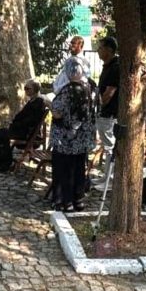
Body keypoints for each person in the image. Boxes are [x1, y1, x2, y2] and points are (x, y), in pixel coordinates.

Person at [49, 59, 96, 211]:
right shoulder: (91, 88)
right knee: (79, 169)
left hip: (66, 138)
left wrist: (47, 103)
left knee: (64, 169)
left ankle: (65, 202)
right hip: (83, 138)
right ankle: (78, 200)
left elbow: (57, 113)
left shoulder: (68, 90)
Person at [0, 80, 48, 172]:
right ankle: (0, 162)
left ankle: (5, 163)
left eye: (27, 88)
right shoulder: (32, 101)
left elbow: (32, 121)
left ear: (35, 89)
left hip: (26, 132)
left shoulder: (39, 102)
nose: (25, 90)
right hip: (19, 129)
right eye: (25, 88)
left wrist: (16, 124)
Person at [95, 36, 120, 168]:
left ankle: (109, 179)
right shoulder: (107, 66)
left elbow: (109, 94)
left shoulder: (115, 67)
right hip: (104, 112)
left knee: (109, 146)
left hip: (109, 114)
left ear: (109, 50)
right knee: (106, 145)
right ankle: (106, 177)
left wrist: (98, 106)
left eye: (100, 48)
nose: (98, 50)